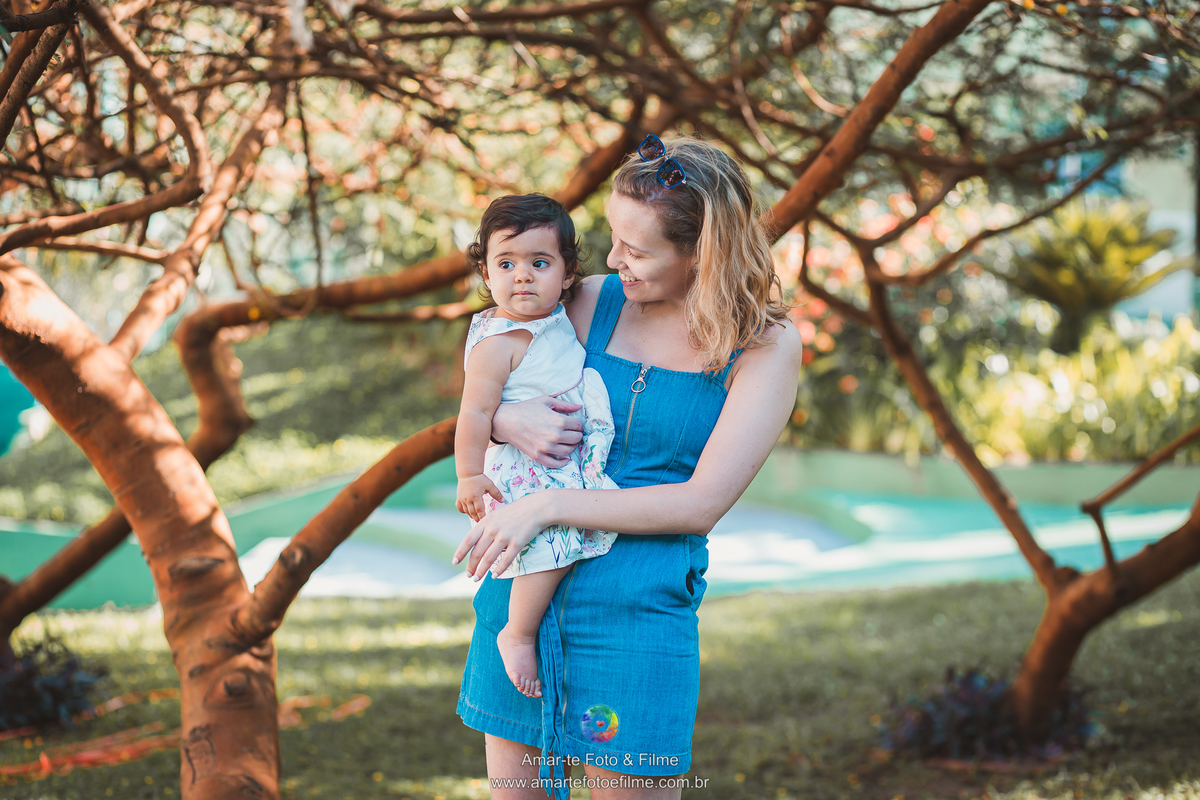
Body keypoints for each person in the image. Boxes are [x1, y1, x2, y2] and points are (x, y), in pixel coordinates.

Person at [454, 135, 803, 800]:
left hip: (636, 621)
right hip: (520, 612)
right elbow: (487, 375)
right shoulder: (587, 300)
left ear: (703, 252)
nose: (614, 260)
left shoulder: (763, 344)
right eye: (613, 238)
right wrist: (503, 421)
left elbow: (699, 503)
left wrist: (546, 506)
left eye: (636, 250)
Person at [455, 193, 621, 700]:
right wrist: (468, 475)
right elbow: (474, 413)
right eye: (506, 263)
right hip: (527, 469)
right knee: (552, 544)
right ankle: (517, 631)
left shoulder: (558, 314)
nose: (521, 276)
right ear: (486, 273)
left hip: (552, 457)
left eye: (539, 263)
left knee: (563, 537)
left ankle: (524, 628)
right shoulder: (499, 341)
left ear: (567, 275)